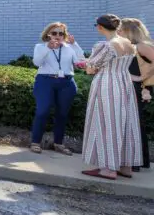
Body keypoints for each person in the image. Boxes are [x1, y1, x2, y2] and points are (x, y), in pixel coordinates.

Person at [81, 14, 142, 180]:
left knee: (106, 123)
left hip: (107, 84)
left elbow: (91, 69)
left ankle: (108, 169)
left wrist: (87, 63)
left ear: (100, 27)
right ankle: (125, 166)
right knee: (125, 122)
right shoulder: (128, 43)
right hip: (124, 83)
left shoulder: (106, 45)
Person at [29, 22, 85, 155]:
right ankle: (35, 142)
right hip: (45, 81)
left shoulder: (69, 48)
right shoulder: (40, 46)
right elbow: (37, 62)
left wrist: (75, 44)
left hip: (66, 82)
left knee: (62, 114)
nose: (58, 36)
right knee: (42, 111)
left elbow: (80, 61)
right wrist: (48, 48)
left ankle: (58, 143)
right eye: (54, 33)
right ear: (48, 34)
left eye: (61, 33)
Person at [120, 17, 154, 171]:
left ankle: (136, 161)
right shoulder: (133, 46)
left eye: (121, 29)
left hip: (139, 87)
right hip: (132, 85)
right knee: (133, 122)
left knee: (135, 122)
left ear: (129, 31)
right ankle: (139, 161)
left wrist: (141, 78)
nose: (118, 31)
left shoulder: (142, 46)